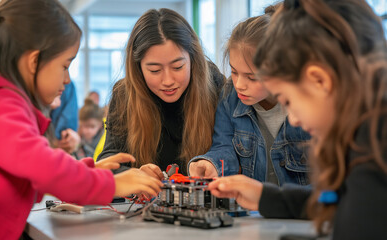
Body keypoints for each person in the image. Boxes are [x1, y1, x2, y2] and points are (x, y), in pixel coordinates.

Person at [0, 1, 162, 238]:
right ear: (34, 61)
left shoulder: (0, 99)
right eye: (65, 66)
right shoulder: (1, 104)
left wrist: (89, 171)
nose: (67, 79)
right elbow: (42, 168)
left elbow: (29, 173)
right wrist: (111, 185)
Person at [207, 0, 387, 239]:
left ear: (320, 81)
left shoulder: (373, 150)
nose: (293, 118)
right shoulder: (368, 130)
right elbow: (340, 202)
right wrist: (266, 197)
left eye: (289, 100)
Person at [188, 4, 311, 186]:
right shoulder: (229, 94)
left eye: (252, 77)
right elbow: (224, 145)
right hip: (253, 211)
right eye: (234, 72)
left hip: (303, 211)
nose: (239, 85)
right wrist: (211, 164)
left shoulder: (311, 103)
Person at [97, 8, 225, 178]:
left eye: (178, 67)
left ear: (193, 59)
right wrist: (132, 174)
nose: (168, 80)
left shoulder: (215, 85)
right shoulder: (124, 96)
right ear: (138, 68)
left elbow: (230, 151)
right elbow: (109, 162)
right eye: (155, 70)